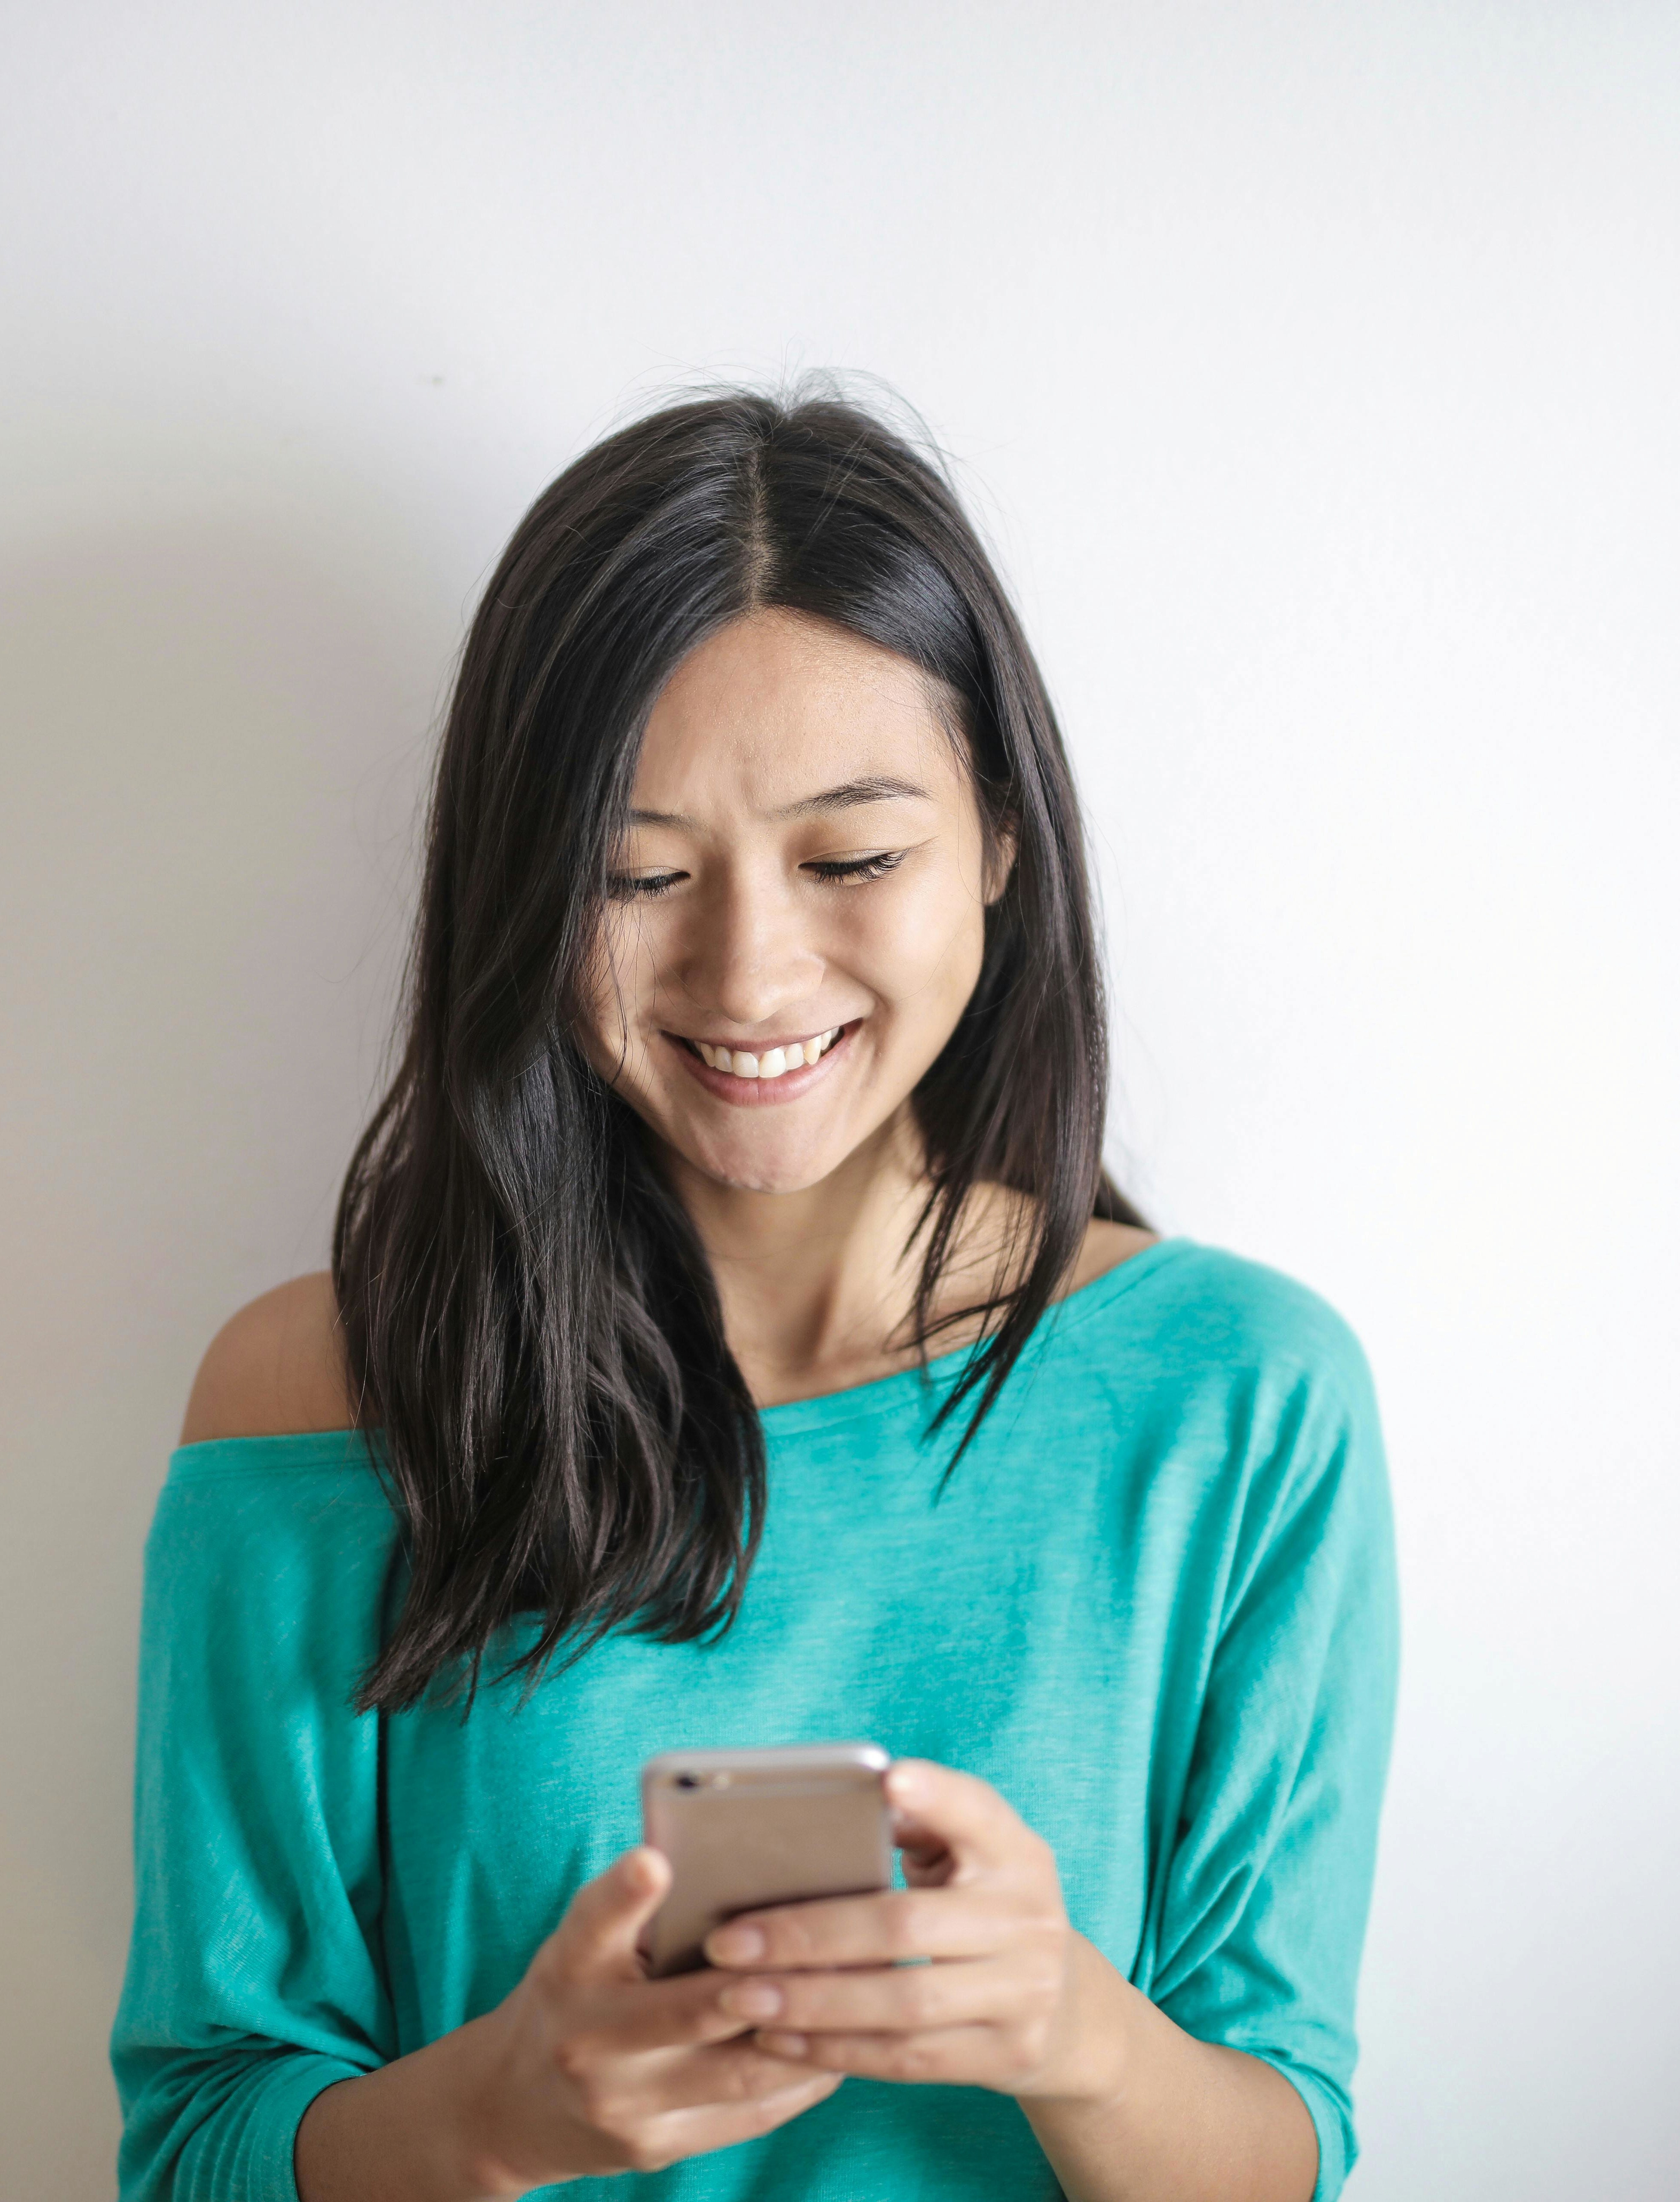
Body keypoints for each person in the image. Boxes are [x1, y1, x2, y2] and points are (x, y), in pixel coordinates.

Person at [111, 388, 1397, 2202]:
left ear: (1002, 848)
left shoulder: (1240, 1398)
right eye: (636, 873)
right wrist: (499, 2109)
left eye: (852, 857)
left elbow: (1284, 2148)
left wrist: (1071, 2032)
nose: (748, 968)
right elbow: (192, 2147)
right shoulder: (321, 1394)